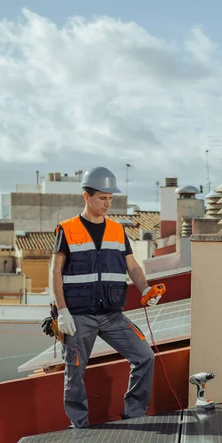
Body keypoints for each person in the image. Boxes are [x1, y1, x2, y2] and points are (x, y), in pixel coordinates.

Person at [51, 166, 161, 428]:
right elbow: (55, 271)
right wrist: (62, 310)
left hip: (112, 315)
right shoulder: (66, 230)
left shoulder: (117, 230)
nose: (107, 203)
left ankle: (134, 414)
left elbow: (132, 266)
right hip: (78, 316)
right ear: (86, 196)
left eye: (110, 198)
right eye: (102, 197)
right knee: (74, 371)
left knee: (145, 356)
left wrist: (145, 288)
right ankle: (79, 425)